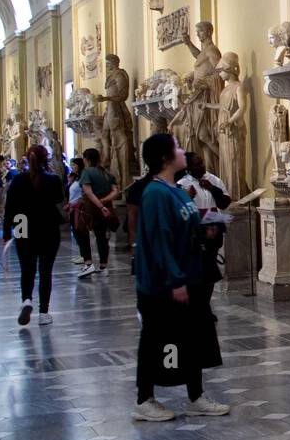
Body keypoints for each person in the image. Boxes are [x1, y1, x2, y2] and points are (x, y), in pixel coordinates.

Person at [132, 133, 228, 421]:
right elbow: (160, 239)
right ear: (164, 157)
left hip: (189, 275)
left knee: (191, 337)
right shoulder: (155, 193)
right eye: (176, 147)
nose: (182, 150)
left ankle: (195, 396)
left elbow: (183, 223)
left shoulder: (174, 189)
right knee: (157, 338)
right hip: (163, 284)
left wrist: (205, 227)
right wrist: (175, 280)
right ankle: (144, 399)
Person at [4, 144, 66, 327]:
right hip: (48, 227)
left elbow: (10, 207)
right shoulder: (52, 179)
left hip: (23, 225)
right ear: (45, 159)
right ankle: (44, 312)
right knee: (46, 271)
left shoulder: (18, 180)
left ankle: (26, 300)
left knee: (27, 268)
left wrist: (6, 232)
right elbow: (58, 200)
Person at [177, 152, 231, 320]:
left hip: (214, 229)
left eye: (202, 163)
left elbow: (224, 203)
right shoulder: (182, 184)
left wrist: (212, 189)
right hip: (195, 232)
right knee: (196, 271)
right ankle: (196, 306)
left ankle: (205, 305)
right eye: (197, 164)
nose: (201, 166)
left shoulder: (214, 180)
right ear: (188, 167)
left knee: (210, 270)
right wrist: (188, 197)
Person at [75, 147, 118, 277]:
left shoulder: (87, 172)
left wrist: (99, 205)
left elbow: (88, 191)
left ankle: (88, 263)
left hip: (90, 208)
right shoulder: (106, 173)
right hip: (105, 207)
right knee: (101, 236)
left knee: (82, 232)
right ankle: (104, 264)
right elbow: (115, 191)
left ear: (86, 160)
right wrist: (105, 201)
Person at [67, 156, 85, 263]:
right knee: (75, 231)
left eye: (74, 165)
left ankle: (84, 255)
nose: (72, 167)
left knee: (80, 232)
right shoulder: (77, 177)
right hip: (73, 208)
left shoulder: (82, 177)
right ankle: (82, 253)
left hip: (79, 209)